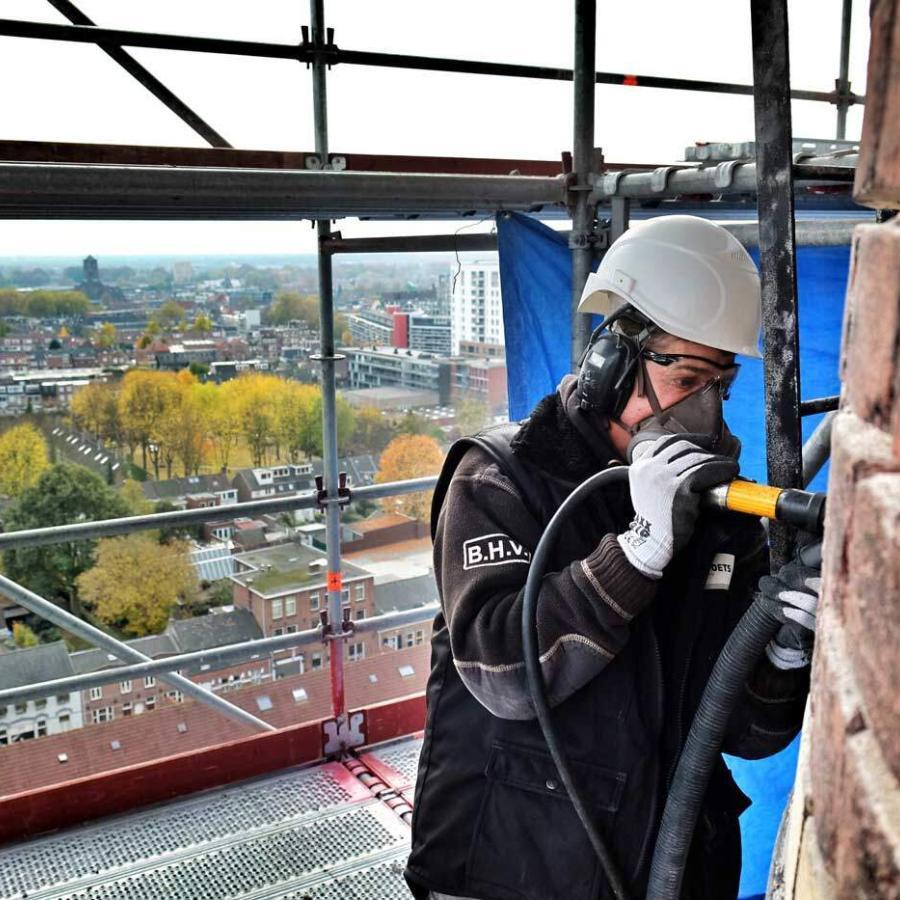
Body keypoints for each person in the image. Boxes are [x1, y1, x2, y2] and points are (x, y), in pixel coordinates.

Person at [404, 216, 821, 900]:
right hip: (517, 864)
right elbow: (501, 673)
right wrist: (637, 553)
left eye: (720, 384)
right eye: (687, 377)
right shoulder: (500, 478)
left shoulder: (717, 508)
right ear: (612, 365)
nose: (706, 412)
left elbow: (744, 733)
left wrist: (780, 657)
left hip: (667, 860)